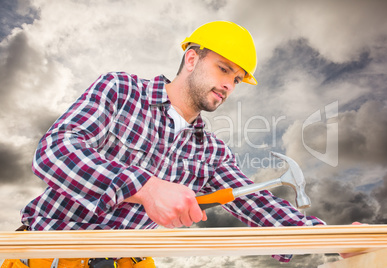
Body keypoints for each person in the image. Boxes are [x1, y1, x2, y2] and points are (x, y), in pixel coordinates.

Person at [8, 21, 326, 268]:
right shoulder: (121, 91)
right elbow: (56, 150)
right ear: (191, 58)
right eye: (224, 68)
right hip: (49, 254)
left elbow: (256, 204)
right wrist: (146, 188)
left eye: (238, 79)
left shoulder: (209, 152)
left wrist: (327, 238)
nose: (229, 84)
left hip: (126, 262)